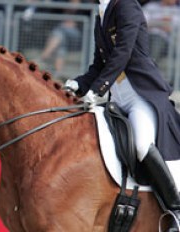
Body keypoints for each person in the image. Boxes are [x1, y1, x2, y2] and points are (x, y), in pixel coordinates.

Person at [65, 0, 180, 229]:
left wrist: (97, 90)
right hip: (117, 99)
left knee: (141, 144)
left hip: (140, 96)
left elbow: (123, 53)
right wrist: (78, 84)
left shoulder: (127, 5)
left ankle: (176, 208)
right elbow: (99, 64)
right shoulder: (102, 12)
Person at [40, 0, 82, 79]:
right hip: (62, 37)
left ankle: (44, 56)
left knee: (59, 33)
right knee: (61, 45)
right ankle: (57, 74)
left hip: (78, 36)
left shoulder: (84, 5)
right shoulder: (61, 4)